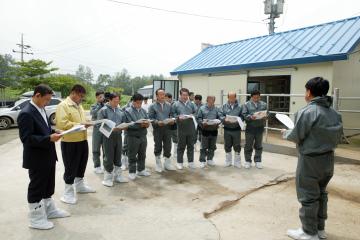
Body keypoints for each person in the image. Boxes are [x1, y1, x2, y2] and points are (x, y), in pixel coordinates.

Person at [283, 77, 343, 240]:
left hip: (310, 160)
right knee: (321, 194)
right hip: (328, 159)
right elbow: (339, 137)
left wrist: (285, 133)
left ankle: (309, 232)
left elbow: (296, 135)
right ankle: (320, 229)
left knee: (308, 197)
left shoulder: (308, 111)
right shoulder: (334, 113)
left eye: (305, 90)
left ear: (309, 92)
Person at [18, 84, 70, 230]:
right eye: (46, 100)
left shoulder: (40, 109)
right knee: (37, 187)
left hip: (48, 155)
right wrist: (48, 138)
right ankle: (35, 219)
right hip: (36, 158)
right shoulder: (26, 113)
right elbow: (26, 139)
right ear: (37, 95)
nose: (47, 103)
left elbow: (42, 129)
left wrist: (54, 131)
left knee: (48, 185)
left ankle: (49, 210)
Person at [56, 84, 95, 205]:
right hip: (70, 142)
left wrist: (86, 123)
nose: (82, 99)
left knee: (81, 163)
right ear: (73, 93)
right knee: (71, 166)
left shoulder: (79, 106)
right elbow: (62, 123)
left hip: (82, 140)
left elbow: (80, 121)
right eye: (80, 96)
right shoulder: (63, 105)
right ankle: (67, 192)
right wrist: (81, 124)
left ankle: (80, 185)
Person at [97, 93, 129, 187]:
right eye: (115, 101)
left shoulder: (120, 110)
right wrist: (111, 129)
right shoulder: (103, 111)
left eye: (118, 101)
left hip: (118, 136)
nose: (116, 103)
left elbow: (123, 122)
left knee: (118, 155)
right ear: (109, 100)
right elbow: (99, 125)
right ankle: (107, 178)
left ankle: (118, 176)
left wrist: (124, 126)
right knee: (109, 156)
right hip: (107, 137)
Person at [148, 88, 177, 172]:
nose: (162, 96)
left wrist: (172, 120)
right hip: (158, 129)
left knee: (168, 145)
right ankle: (158, 164)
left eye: (163, 94)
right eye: (160, 94)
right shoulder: (152, 106)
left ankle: (167, 163)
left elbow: (172, 115)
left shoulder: (169, 105)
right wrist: (157, 122)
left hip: (167, 128)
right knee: (158, 146)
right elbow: (150, 118)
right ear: (156, 96)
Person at [124, 93, 151, 180]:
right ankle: (132, 171)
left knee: (142, 154)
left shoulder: (143, 111)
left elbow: (147, 120)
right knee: (132, 155)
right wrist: (140, 125)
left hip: (143, 136)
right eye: (138, 103)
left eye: (141, 103)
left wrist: (147, 124)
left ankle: (141, 169)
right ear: (133, 102)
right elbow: (128, 124)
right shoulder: (127, 111)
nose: (139, 105)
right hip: (132, 137)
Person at [171, 88, 197, 169]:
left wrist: (192, 115)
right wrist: (178, 117)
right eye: (183, 95)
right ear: (180, 95)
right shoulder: (175, 104)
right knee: (181, 146)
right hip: (181, 128)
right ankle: (180, 162)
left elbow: (196, 113)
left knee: (190, 146)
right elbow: (173, 115)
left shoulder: (192, 104)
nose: (185, 97)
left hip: (191, 128)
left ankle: (191, 162)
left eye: (186, 95)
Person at [242, 90, 267, 169]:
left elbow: (267, 113)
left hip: (260, 127)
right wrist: (251, 117)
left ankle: (258, 161)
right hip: (250, 128)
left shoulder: (264, 104)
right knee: (248, 145)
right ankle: (248, 161)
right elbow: (244, 115)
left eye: (258, 97)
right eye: (255, 97)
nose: (257, 99)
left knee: (258, 145)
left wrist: (265, 116)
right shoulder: (246, 105)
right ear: (251, 97)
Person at [220, 92, 243, 168]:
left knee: (237, 145)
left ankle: (237, 162)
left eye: (233, 97)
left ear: (235, 97)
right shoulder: (224, 106)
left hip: (236, 129)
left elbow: (243, 116)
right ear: (228, 98)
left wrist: (239, 120)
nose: (232, 99)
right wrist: (224, 119)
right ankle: (228, 161)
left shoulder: (240, 106)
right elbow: (220, 115)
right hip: (227, 129)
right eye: (230, 97)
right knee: (227, 145)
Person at [197, 96, 221, 168]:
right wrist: (202, 123)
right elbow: (199, 118)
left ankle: (210, 159)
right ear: (207, 100)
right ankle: (202, 160)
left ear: (214, 101)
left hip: (214, 130)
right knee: (203, 147)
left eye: (213, 100)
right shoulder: (202, 108)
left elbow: (220, 118)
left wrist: (218, 122)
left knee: (212, 146)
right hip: (205, 130)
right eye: (210, 100)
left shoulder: (217, 109)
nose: (211, 102)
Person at [90, 90, 105, 174]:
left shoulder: (106, 105)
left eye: (103, 97)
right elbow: (93, 113)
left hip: (105, 128)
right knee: (96, 148)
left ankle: (105, 165)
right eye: (100, 97)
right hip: (97, 129)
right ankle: (97, 166)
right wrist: (99, 105)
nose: (102, 98)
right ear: (96, 97)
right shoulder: (94, 105)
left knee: (105, 148)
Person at [121, 97, 133, 170]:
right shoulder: (125, 108)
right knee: (125, 146)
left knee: (131, 147)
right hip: (127, 130)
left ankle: (128, 161)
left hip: (134, 130)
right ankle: (123, 162)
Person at [165, 93, 178, 160]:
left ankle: (175, 153)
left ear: (170, 98)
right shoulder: (165, 105)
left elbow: (177, 114)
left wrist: (174, 120)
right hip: (166, 125)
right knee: (167, 140)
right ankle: (167, 153)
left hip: (174, 125)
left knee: (176, 140)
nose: (165, 99)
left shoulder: (175, 105)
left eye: (166, 98)